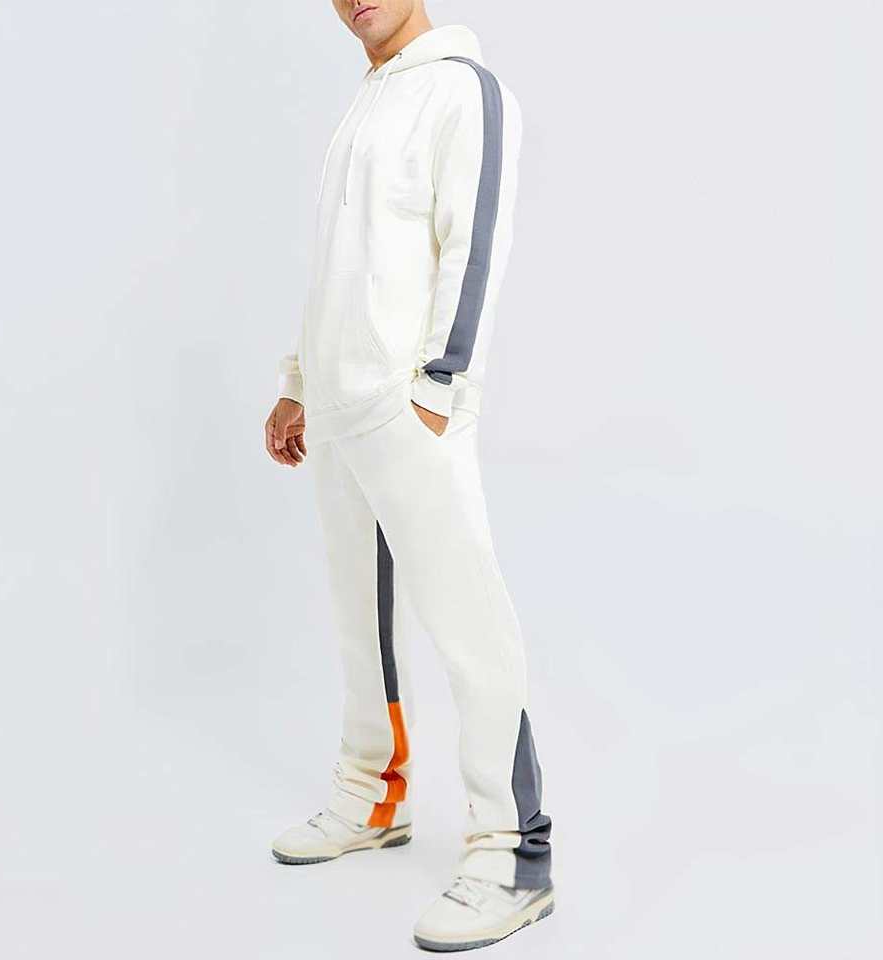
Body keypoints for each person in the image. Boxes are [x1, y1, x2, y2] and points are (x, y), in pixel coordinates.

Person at [263, 1, 552, 950]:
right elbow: (336, 266)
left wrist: (438, 387)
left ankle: (513, 853)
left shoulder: (464, 90)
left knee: (469, 628)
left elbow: (475, 244)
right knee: (363, 623)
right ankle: (371, 795)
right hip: (339, 410)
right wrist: (298, 383)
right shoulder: (364, 104)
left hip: (406, 405)